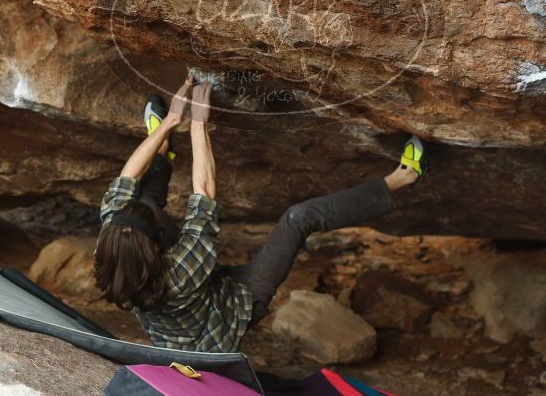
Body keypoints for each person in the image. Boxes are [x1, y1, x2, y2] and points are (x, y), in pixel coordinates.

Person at [94, 76, 429, 353]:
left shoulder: (110, 246)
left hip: (193, 293)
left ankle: (161, 147)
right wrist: (198, 123)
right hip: (228, 313)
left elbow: (126, 181)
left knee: (145, 203)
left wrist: (168, 124)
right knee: (299, 218)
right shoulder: (179, 272)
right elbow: (204, 196)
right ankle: (403, 177)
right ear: (154, 249)